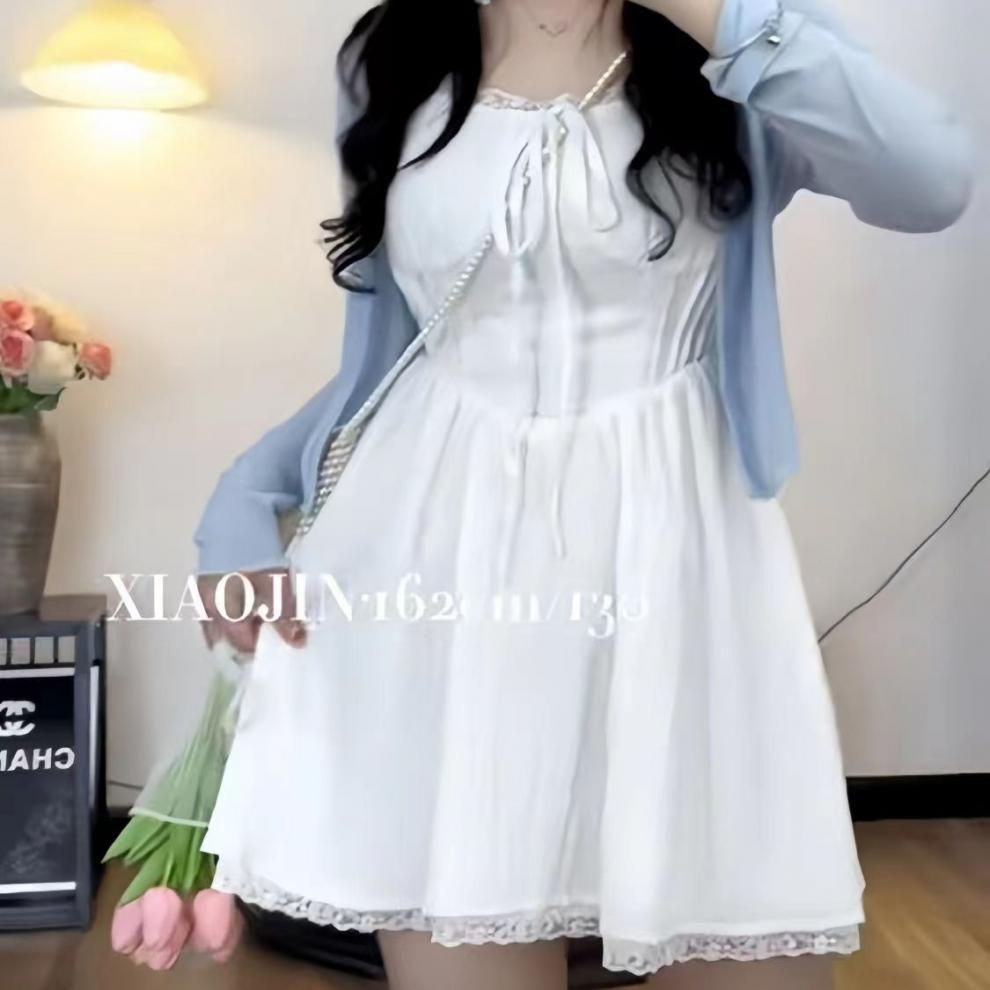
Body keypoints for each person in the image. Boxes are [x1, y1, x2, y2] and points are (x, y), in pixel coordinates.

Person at [167, 1, 972, 988]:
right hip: (440, 588)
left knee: (749, 930)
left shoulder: (736, 36)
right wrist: (243, 498)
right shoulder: (396, 51)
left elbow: (930, 182)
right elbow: (403, 358)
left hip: (682, 571)